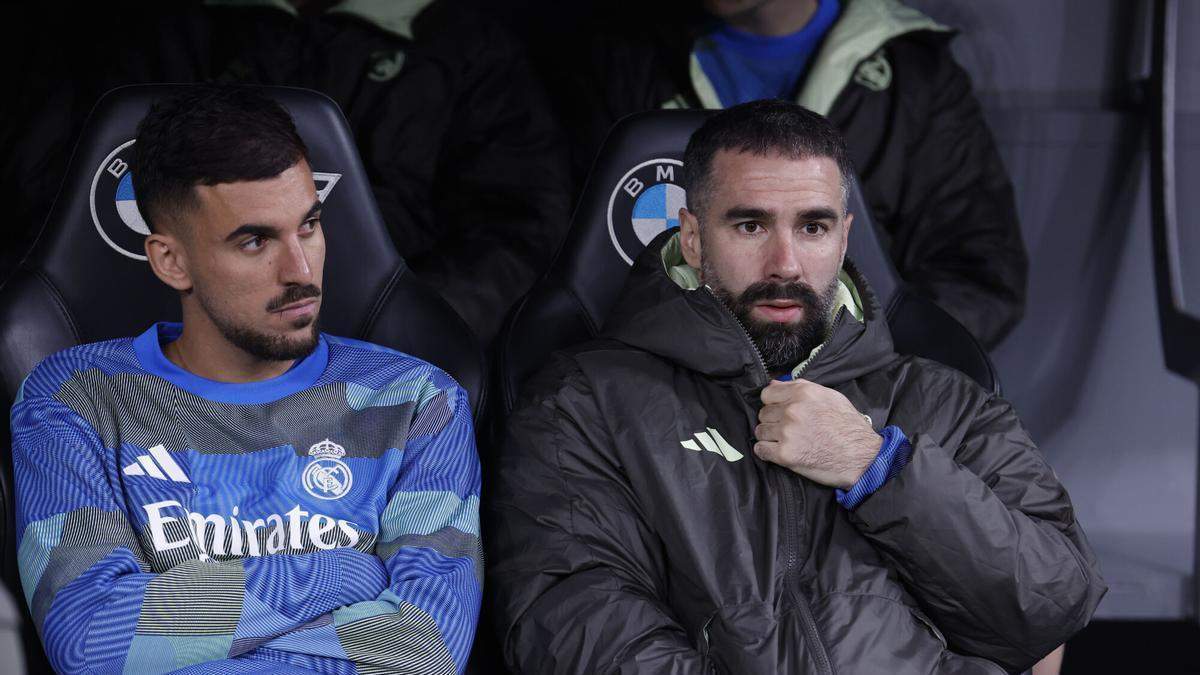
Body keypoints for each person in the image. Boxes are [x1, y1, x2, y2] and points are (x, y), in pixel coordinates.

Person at [485, 100, 1105, 674]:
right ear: (694, 239)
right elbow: (569, 623)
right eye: (751, 226)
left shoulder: (946, 401)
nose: (785, 263)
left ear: (843, 237)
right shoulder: (583, 402)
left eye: (812, 228)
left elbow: (1048, 606)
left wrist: (877, 468)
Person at [11, 86, 481, 674]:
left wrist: (179, 630)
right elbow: (91, 643)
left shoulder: (415, 402)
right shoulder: (76, 399)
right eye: (255, 241)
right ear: (170, 261)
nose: (302, 271)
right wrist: (340, 572)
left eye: (308, 225)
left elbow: (427, 651)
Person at [1, 0, 569, 342]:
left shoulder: (466, 48)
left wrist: (392, 325)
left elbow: (519, 235)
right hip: (163, 348)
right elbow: (59, 217)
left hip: (375, 372)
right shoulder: (157, 29)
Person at [551, 0, 1026, 349]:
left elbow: (979, 274)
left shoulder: (913, 74)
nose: (784, 262)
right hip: (659, 393)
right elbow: (564, 258)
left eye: (816, 227)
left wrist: (853, 363)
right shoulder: (614, 59)